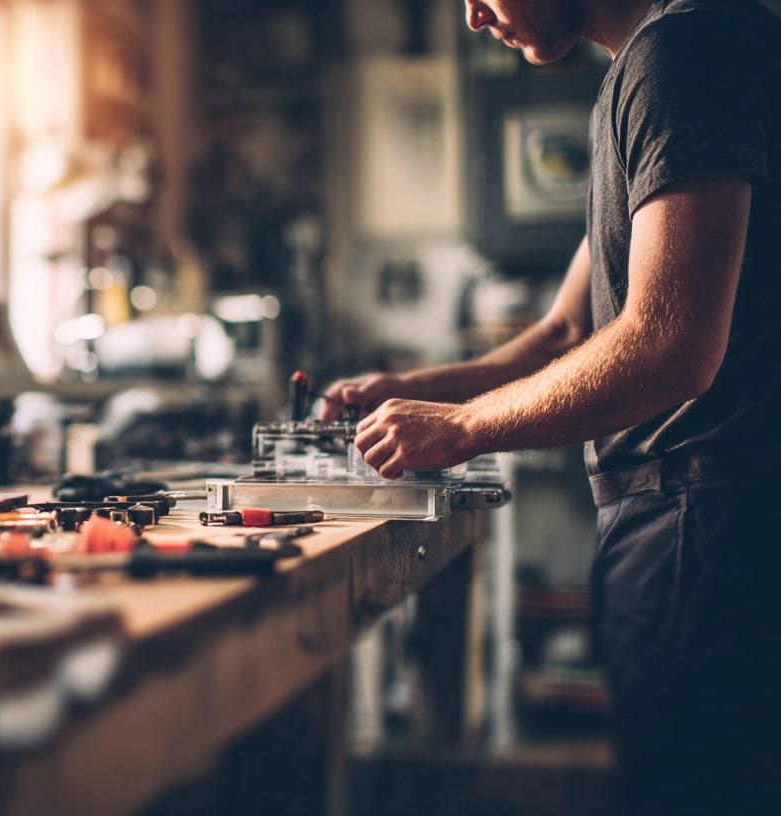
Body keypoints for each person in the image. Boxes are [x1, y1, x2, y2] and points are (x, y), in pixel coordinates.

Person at [319, 1, 781, 813]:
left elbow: (669, 345)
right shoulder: (642, 71)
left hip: (707, 527)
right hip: (685, 525)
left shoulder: (682, 53)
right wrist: (417, 394)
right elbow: (565, 329)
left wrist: (460, 428)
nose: (470, 15)